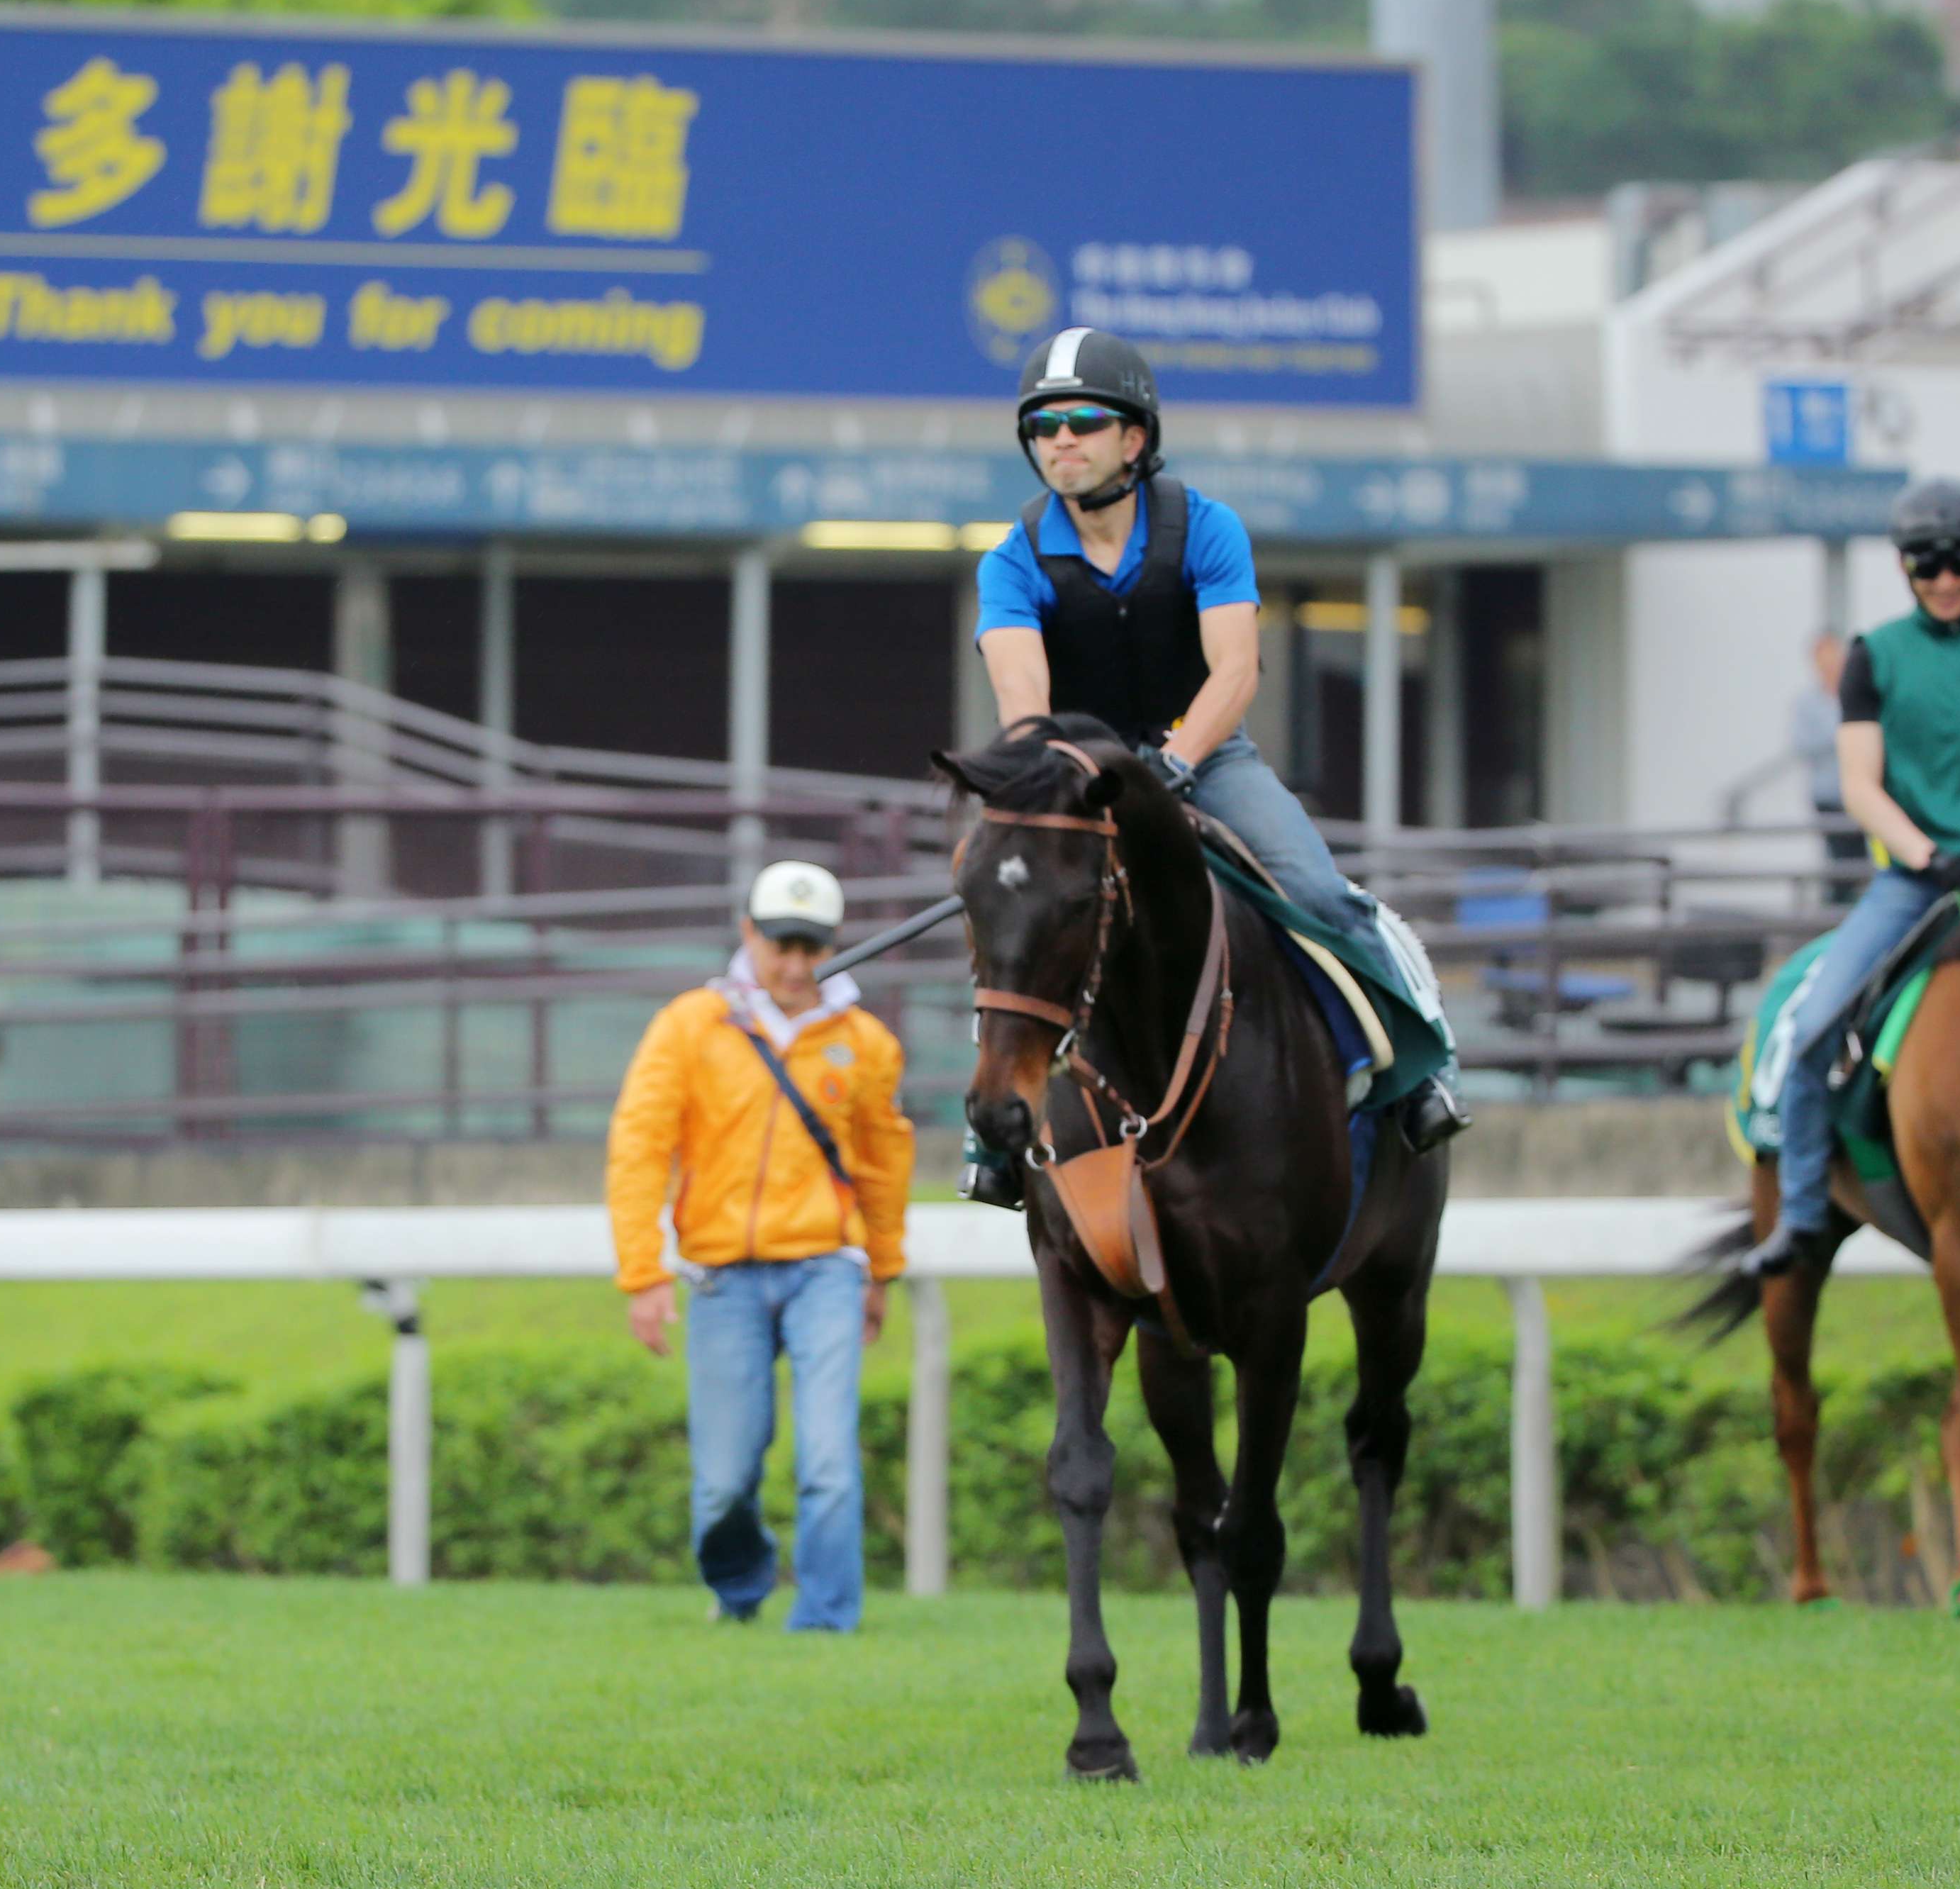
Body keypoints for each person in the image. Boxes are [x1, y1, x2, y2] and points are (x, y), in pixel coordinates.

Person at [964, 326, 1466, 1205]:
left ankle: (1417, 1069)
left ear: (1136, 438)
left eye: (1084, 420)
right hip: (1080, 773)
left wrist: (1176, 761)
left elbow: (1235, 671)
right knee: (1018, 918)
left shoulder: (1209, 528)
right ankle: (1000, 1145)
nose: (1061, 441)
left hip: (1207, 751)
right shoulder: (1010, 560)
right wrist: (1075, 779)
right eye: (1043, 427)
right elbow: (1024, 709)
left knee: (1314, 891)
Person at [1741, 476, 1960, 1277]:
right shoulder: (1873, 656)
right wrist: (1926, 852)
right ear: (1904, 567)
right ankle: (1797, 1210)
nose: (1946, 579)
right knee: (1816, 1023)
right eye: (1928, 565)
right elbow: (1860, 781)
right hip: (1917, 883)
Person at [606, 862, 915, 1632]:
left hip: (827, 1271)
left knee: (829, 1463)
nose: (797, 963)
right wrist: (643, 1271)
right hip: (720, 1276)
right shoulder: (689, 1024)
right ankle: (740, 1587)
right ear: (749, 933)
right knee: (723, 1481)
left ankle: (825, 1619)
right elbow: (640, 1146)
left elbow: (884, 1165)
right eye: (782, 942)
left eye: (813, 945)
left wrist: (882, 1269)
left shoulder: (867, 1042)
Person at [1792, 630, 1865, 894]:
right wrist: (1846, 735)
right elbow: (1802, 746)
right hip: (1830, 796)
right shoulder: (1806, 703)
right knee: (1839, 867)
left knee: (1867, 864)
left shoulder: (1857, 693)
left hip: (1863, 793)